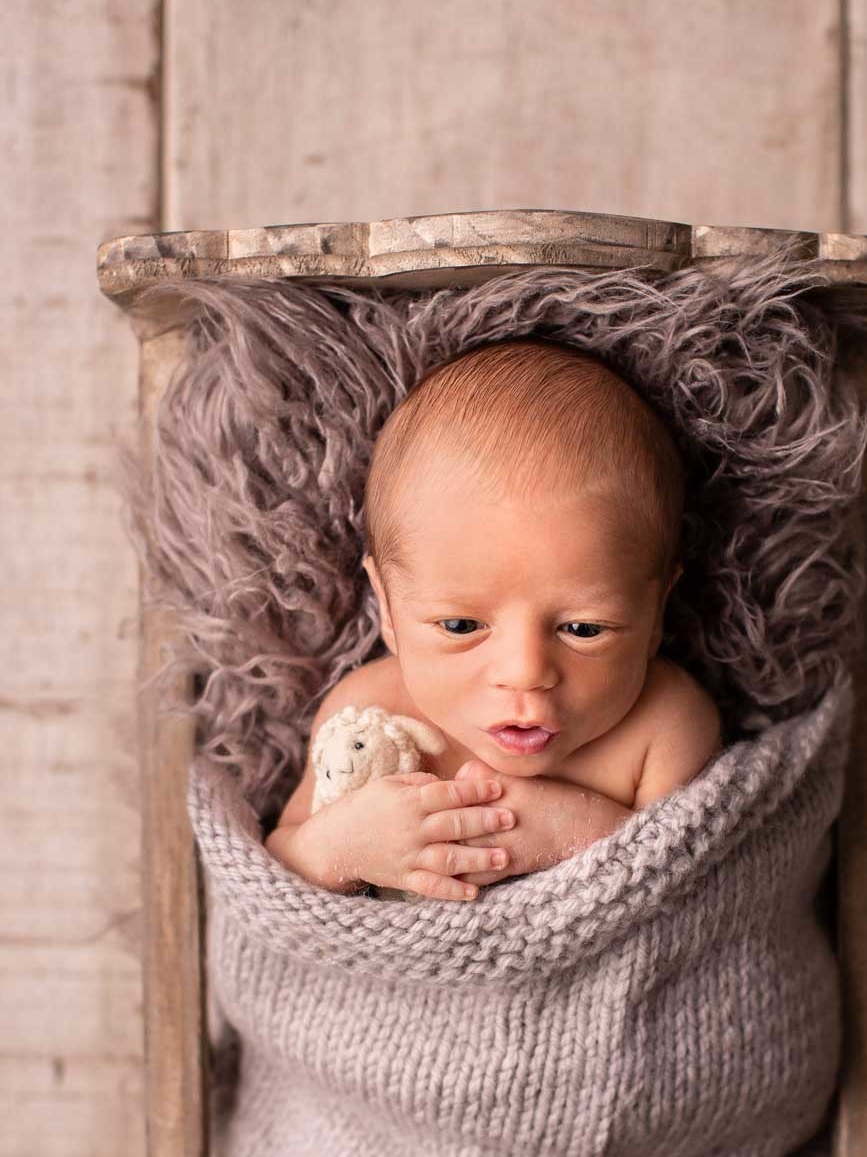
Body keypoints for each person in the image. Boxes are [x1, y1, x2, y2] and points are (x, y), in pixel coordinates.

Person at [265, 337, 722, 899]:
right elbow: (279, 866)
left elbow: (696, 891)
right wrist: (342, 846)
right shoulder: (368, 715)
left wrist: (576, 832)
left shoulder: (665, 727)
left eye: (583, 629)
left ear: (656, 612)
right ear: (387, 608)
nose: (525, 672)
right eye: (460, 627)